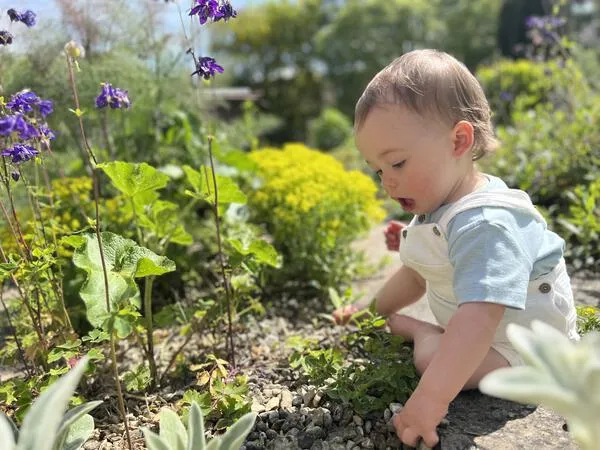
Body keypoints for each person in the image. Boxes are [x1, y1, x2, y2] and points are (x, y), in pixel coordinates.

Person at [332, 49, 579, 448]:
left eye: (397, 163)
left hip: (525, 347)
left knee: (432, 363)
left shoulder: (485, 223)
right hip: (486, 329)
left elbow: (481, 316)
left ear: (459, 141)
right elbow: (416, 272)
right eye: (378, 170)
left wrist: (430, 400)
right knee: (450, 345)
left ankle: (421, 331)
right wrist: (370, 311)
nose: (387, 183)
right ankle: (401, 325)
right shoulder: (442, 203)